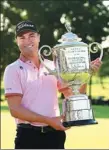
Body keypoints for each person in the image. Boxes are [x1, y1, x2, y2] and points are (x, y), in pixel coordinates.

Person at [3, 20, 102, 149]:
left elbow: (73, 94)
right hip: (28, 136)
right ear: (17, 41)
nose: (27, 41)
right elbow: (15, 110)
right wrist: (49, 120)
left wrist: (86, 75)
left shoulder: (53, 66)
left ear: (38, 37)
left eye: (31, 36)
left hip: (55, 136)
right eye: (22, 37)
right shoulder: (13, 69)